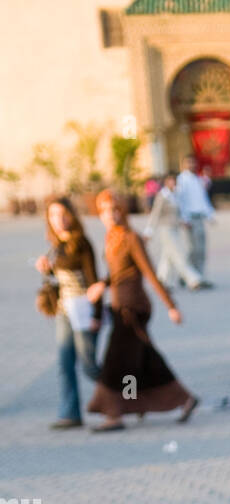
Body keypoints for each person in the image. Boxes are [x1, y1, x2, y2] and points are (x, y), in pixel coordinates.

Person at [86, 190, 199, 431]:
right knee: (146, 359)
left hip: (133, 309)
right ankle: (183, 399)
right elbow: (118, 273)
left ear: (123, 211)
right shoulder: (111, 237)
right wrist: (102, 285)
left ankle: (113, 413)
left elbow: (149, 272)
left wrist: (171, 306)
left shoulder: (131, 238)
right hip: (119, 306)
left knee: (115, 361)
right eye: (105, 211)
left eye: (115, 209)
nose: (110, 215)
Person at [35, 197, 101, 430]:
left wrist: (97, 315)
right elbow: (62, 274)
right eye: (53, 215)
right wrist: (47, 267)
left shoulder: (81, 243)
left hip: (84, 311)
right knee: (65, 363)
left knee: (90, 365)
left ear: (72, 215)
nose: (59, 220)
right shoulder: (56, 244)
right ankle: (70, 413)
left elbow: (94, 282)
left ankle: (131, 395)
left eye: (63, 214)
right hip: (64, 311)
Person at [143, 172, 211, 291]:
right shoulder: (162, 196)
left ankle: (162, 281)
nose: (173, 183)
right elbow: (155, 214)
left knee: (168, 257)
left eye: (174, 180)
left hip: (175, 229)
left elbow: (179, 212)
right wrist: (149, 232)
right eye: (170, 180)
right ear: (165, 182)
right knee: (179, 255)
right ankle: (193, 280)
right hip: (166, 230)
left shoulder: (175, 195)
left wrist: (184, 221)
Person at [176, 154, 215, 279]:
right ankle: (188, 274)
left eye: (193, 163)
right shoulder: (182, 180)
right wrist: (184, 218)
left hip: (200, 217)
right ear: (183, 165)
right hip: (190, 218)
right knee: (192, 249)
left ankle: (198, 274)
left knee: (201, 248)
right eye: (188, 163)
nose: (191, 165)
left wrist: (209, 215)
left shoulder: (197, 179)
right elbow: (180, 201)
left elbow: (202, 199)